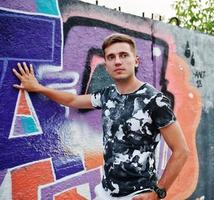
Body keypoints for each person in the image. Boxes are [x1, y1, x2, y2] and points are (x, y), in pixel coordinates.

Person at [13, 33, 189, 200]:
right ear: (106, 65)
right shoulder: (107, 95)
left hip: (138, 194)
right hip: (106, 191)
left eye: (123, 55)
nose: (117, 61)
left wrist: (158, 192)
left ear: (136, 61)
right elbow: (73, 99)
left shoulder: (154, 100)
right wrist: (39, 88)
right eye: (111, 57)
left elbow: (181, 151)